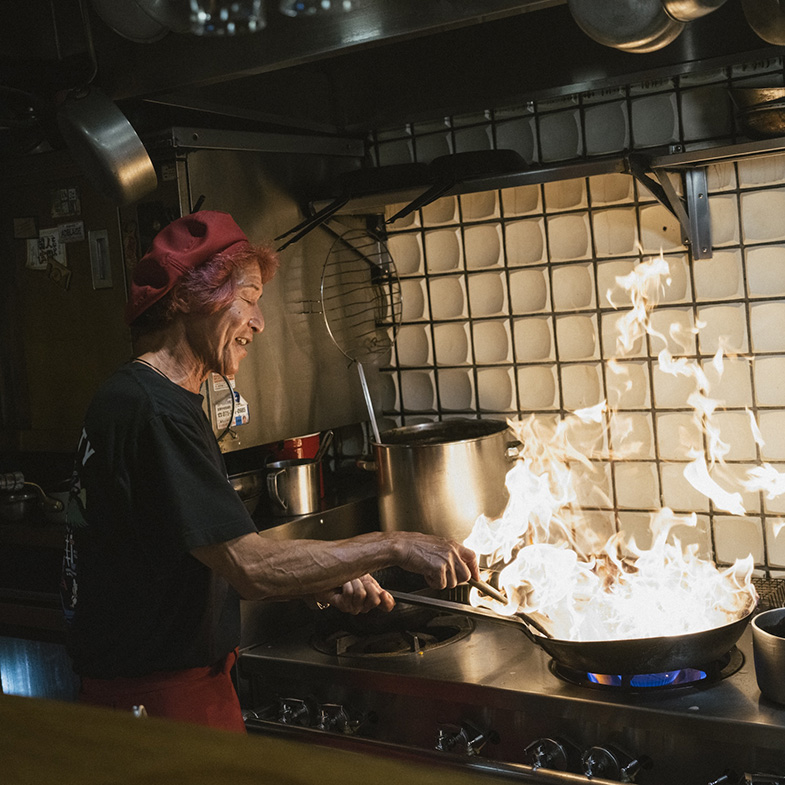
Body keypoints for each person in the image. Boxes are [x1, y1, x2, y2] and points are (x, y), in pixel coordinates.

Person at [61, 210, 478, 733]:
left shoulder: (145, 396)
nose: (259, 322)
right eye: (251, 298)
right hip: (157, 704)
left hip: (168, 690)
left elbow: (196, 550)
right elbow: (249, 566)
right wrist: (394, 545)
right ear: (194, 297)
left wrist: (319, 577)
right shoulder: (154, 410)